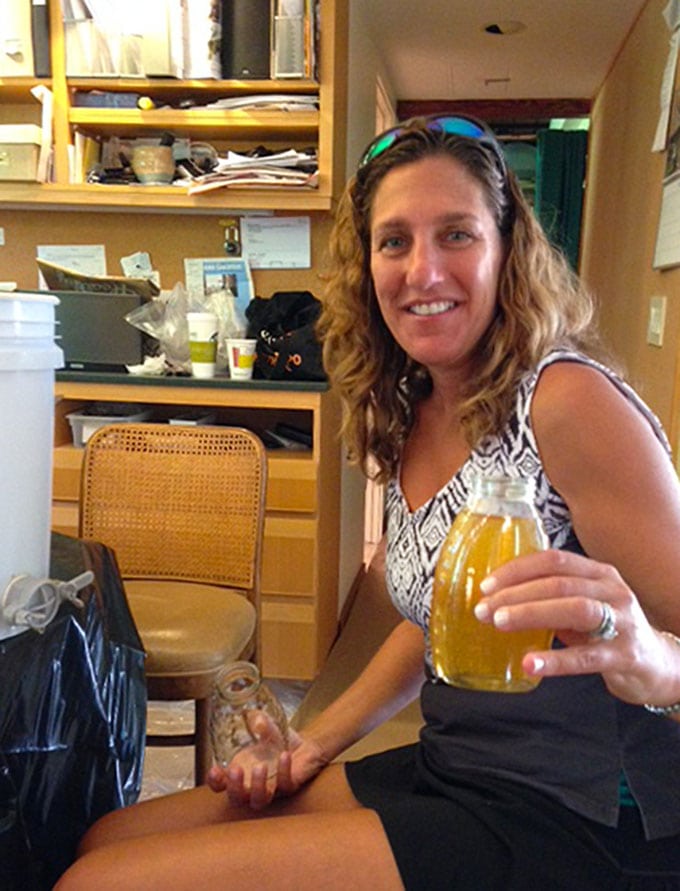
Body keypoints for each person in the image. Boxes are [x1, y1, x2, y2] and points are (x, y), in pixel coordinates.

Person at [55, 115, 680, 890]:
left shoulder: (565, 401)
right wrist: (312, 743)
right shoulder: (416, 405)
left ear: (506, 249)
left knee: (103, 885)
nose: (423, 271)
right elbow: (432, 622)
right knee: (106, 838)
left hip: (573, 816)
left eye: (456, 234)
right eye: (395, 241)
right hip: (457, 764)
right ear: (368, 265)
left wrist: (653, 661)